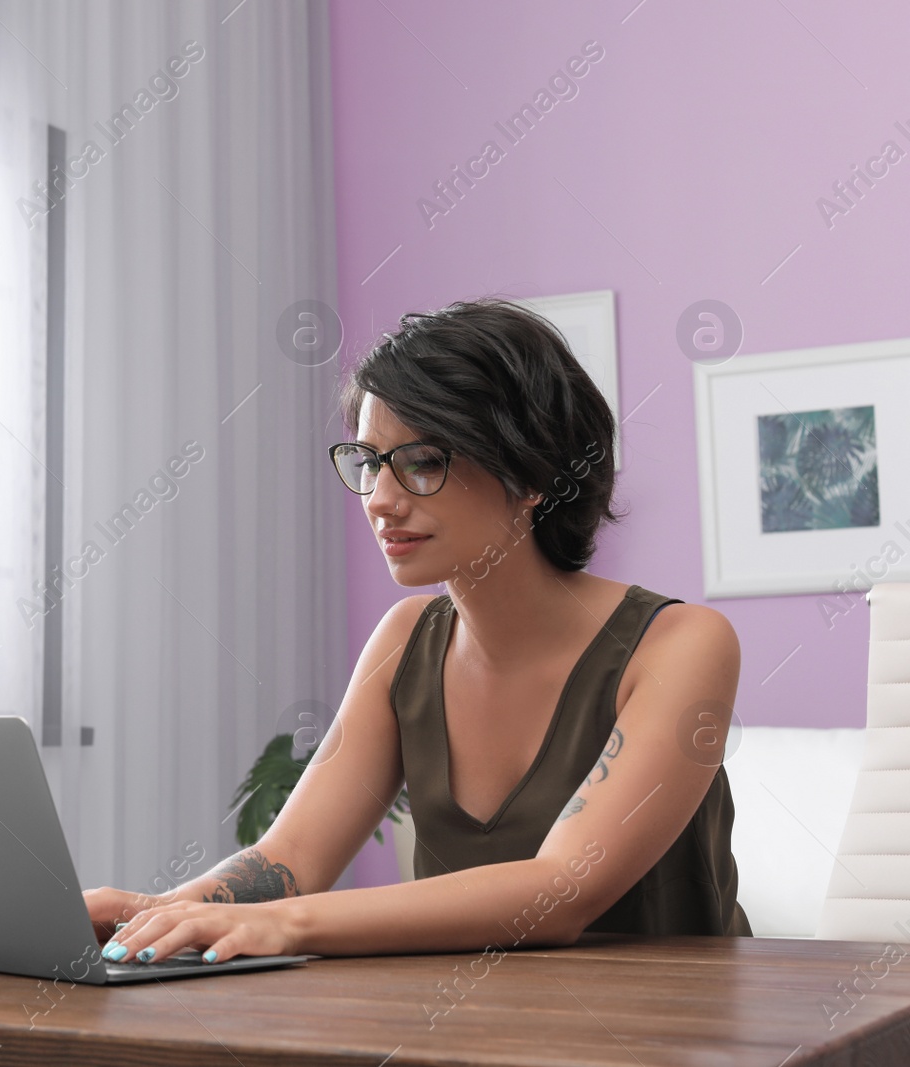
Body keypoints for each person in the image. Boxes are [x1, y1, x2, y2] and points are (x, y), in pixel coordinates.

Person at [84, 297, 751, 967]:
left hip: (672, 1034)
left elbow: (560, 889)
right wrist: (160, 911)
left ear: (533, 475)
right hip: (467, 1026)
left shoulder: (683, 643)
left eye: (423, 460)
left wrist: (285, 924)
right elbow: (290, 857)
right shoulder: (406, 639)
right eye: (370, 462)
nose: (379, 497)